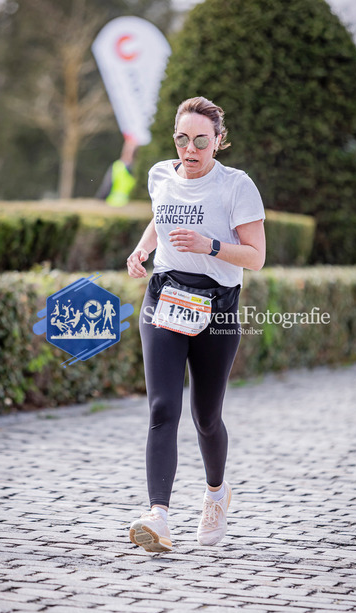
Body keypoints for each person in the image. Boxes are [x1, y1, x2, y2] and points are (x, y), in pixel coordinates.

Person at [126, 96, 266, 553]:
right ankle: (158, 516)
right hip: (164, 299)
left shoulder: (236, 186)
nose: (190, 149)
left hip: (217, 305)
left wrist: (210, 246)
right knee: (162, 408)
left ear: (219, 141)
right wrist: (142, 249)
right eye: (182, 139)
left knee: (206, 417)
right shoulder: (159, 175)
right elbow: (160, 217)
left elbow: (256, 257)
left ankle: (216, 494)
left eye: (201, 141)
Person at [96, 134, 138, 206]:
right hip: (130, 205)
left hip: (113, 204)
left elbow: (106, 187)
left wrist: (98, 202)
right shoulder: (137, 170)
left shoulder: (117, 166)